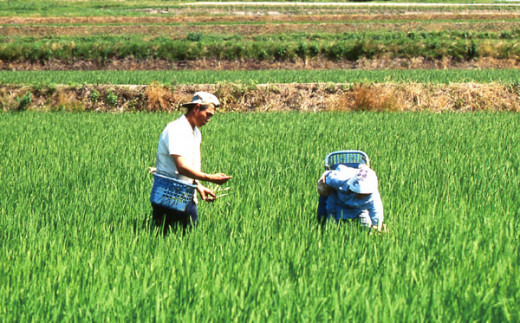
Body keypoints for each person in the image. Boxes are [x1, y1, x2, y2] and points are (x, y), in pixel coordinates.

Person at [151, 91, 232, 233]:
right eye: (207, 114)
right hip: (168, 193)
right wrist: (210, 178)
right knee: (168, 239)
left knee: (188, 238)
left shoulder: (195, 132)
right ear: (196, 108)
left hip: (185, 192)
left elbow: (188, 166)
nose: (208, 119)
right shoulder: (176, 129)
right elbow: (181, 167)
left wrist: (198, 185)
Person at [317, 164, 384, 233]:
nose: (361, 196)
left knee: (366, 228)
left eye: (364, 195)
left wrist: (377, 227)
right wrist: (322, 186)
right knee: (330, 229)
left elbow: (376, 214)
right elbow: (326, 176)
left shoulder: (373, 196)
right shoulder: (339, 180)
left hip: (359, 209)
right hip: (337, 204)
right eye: (358, 193)